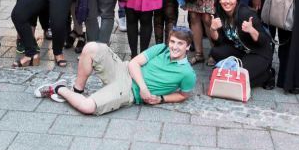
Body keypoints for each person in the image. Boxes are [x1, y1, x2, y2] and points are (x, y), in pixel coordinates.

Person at [32, 29, 196, 115]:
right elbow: (133, 63)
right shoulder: (162, 49)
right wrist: (145, 87)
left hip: (129, 91)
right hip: (123, 69)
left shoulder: (187, 73)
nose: (174, 46)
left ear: (188, 47)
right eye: (172, 41)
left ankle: (59, 88)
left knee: (87, 107)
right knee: (91, 47)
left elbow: (183, 95)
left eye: (180, 44)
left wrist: (160, 99)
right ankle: (77, 91)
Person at [207, 0, 274, 87]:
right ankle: (242, 66)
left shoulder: (245, 14)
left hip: (258, 53)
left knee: (240, 80)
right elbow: (219, 41)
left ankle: (267, 74)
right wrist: (212, 29)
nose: (227, 1)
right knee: (215, 52)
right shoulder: (221, 14)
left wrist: (251, 30)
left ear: (237, 0)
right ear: (219, 0)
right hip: (240, 51)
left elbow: (265, 41)